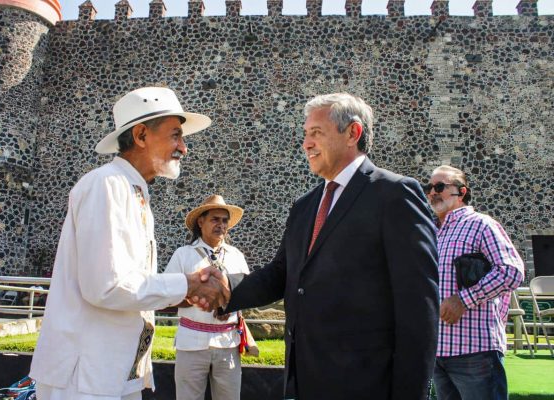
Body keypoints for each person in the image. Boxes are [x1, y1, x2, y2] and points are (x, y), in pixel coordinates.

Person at [206, 93, 440, 400]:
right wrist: (226, 288)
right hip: (306, 380)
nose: (306, 144)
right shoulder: (305, 206)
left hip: (368, 384)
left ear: (352, 133)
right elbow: (282, 274)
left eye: (316, 133)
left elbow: (418, 306)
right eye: (305, 134)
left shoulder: (394, 195)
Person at [30, 87, 229, 400]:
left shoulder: (132, 191)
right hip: (85, 377)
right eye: (176, 135)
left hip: (116, 373)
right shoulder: (106, 185)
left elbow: (131, 285)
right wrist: (189, 285)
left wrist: (181, 296)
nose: (184, 148)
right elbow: (106, 287)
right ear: (141, 135)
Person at [425, 165, 525, 400]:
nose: (432, 192)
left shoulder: (481, 224)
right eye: (428, 187)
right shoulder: (431, 232)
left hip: (476, 350)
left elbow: (512, 271)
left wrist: (463, 300)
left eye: (440, 186)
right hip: (439, 350)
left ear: (461, 192)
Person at [164, 195, 250, 400]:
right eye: (215, 219)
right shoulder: (183, 255)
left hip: (228, 343)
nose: (221, 224)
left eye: (224, 220)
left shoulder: (236, 255)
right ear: (201, 222)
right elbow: (167, 294)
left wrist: (226, 304)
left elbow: (247, 292)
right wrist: (197, 297)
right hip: (191, 343)